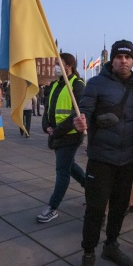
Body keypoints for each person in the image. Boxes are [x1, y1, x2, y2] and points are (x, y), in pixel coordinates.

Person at [72, 39, 133, 266]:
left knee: (120, 206)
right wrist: (79, 123)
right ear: (112, 59)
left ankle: (111, 245)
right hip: (101, 158)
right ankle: (88, 254)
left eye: (128, 57)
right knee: (95, 209)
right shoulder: (96, 83)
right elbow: (84, 111)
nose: (123, 61)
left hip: (127, 158)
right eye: (119, 57)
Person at [37, 53, 86, 223]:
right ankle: (92, 190)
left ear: (69, 66)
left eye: (59, 64)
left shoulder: (77, 85)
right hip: (57, 134)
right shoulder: (55, 85)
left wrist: (57, 130)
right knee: (70, 166)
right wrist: (46, 126)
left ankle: (53, 207)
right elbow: (48, 107)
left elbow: (78, 113)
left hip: (70, 136)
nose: (55, 67)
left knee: (62, 171)